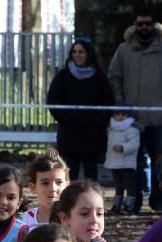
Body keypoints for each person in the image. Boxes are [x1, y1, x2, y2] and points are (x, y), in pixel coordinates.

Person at [108, 6, 162, 213]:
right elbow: (114, 77)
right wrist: (122, 105)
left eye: (147, 23)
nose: (144, 27)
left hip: (159, 118)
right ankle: (135, 201)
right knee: (135, 162)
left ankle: (160, 201)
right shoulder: (123, 50)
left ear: (154, 25)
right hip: (132, 120)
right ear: (135, 25)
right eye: (140, 23)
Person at [47, 37, 114, 181]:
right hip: (69, 132)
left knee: (91, 172)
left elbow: (108, 102)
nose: (77, 55)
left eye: (81, 52)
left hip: (92, 133)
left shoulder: (99, 77)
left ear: (88, 54)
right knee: (69, 171)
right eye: (75, 51)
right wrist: (66, 119)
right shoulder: (63, 76)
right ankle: (69, 201)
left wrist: (98, 121)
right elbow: (52, 101)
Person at [19, 148, 69, 228]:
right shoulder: (22, 222)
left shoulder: (75, 220)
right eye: (45, 183)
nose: (53, 188)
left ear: (67, 186)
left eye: (59, 182)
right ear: (33, 188)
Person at [103, 106, 141, 213]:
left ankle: (129, 205)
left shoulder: (132, 130)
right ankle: (117, 205)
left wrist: (123, 147)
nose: (120, 117)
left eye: (123, 114)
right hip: (114, 163)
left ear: (128, 115)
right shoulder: (111, 129)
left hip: (127, 163)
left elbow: (134, 144)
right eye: (117, 114)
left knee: (130, 186)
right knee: (118, 185)